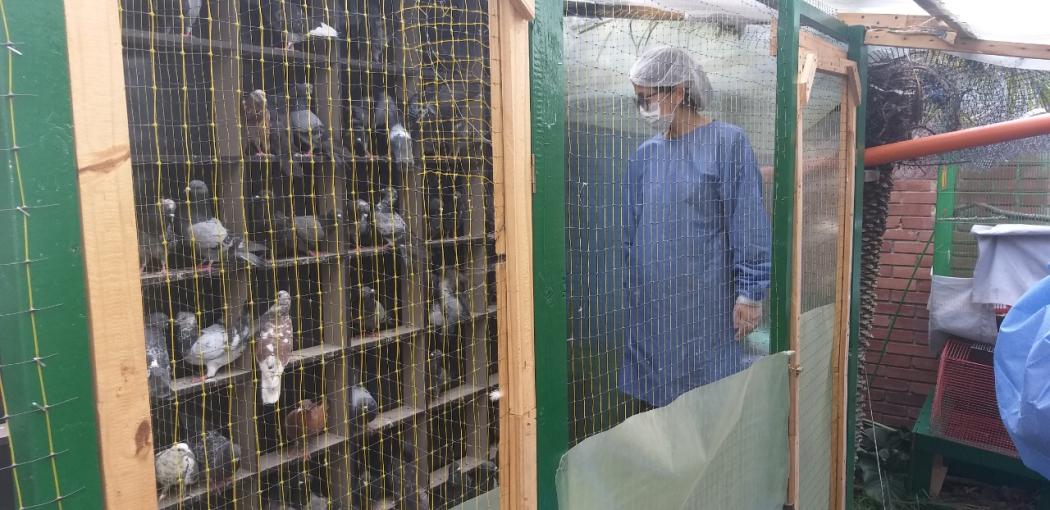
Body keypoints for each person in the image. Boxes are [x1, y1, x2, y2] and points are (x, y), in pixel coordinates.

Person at [618, 46, 772, 411]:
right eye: (637, 99)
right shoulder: (644, 156)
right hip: (651, 309)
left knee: (705, 406)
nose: (643, 108)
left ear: (678, 93)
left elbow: (747, 220)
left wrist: (749, 294)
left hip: (704, 304)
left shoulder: (727, 143)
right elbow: (630, 232)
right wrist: (634, 285)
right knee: (654, 405)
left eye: (647, 99)